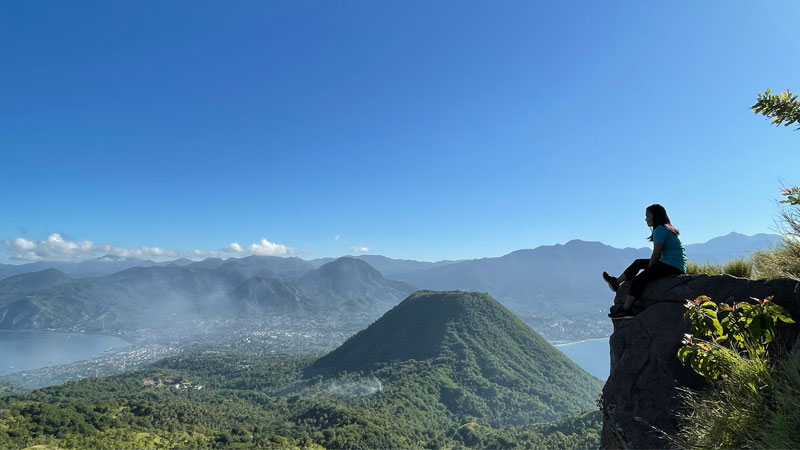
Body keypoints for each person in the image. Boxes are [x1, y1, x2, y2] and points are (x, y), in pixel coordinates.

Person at [603, 204, 687, 319]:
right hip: (673, 264)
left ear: (655, 216)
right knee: (638, 263)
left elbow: (656, 253)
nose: (645, 219)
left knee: (639, 280)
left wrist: (650, 269)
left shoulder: (660, 229)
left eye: (648, 216)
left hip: (671, 265)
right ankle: (616, 283)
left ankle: (625, 309)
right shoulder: (665, 228)